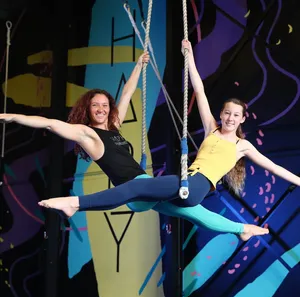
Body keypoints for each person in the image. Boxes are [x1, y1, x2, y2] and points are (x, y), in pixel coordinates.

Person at [0, 48, 269, 241]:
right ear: (87, 110)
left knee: (194, 212)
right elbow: (49, 124)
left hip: (142, 186)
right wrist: (9, 116)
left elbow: (127, 93)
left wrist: (139, 66)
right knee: (188, 208)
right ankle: (75, 203)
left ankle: (241, 230)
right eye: (96, 106)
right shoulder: (86, 133)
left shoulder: (114, 127)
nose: (102, 110)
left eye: (105, 105)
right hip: (133, 191)